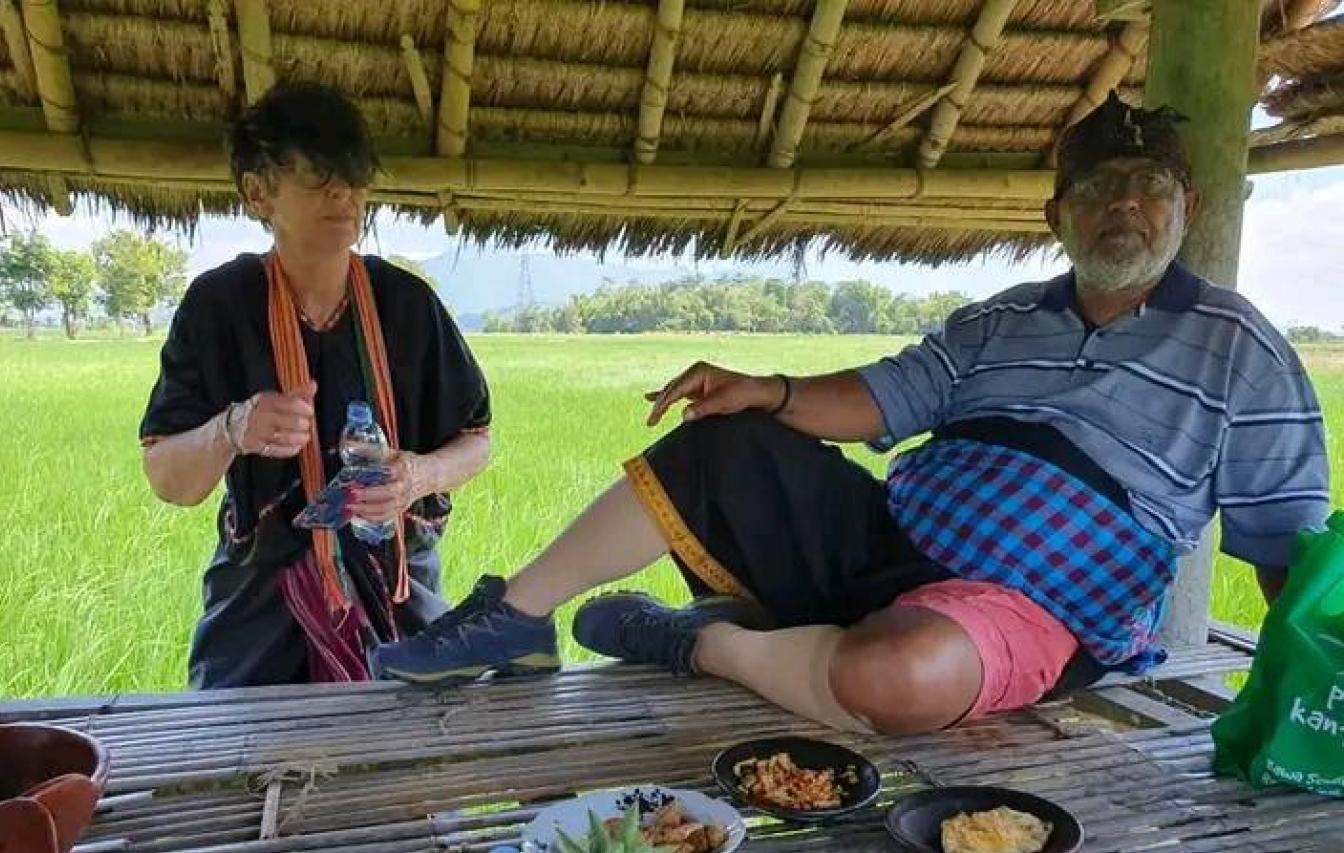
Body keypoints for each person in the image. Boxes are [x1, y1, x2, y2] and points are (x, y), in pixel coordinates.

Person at [371, 92, 1328, 735]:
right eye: (1097, 188)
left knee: (895, 676)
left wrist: (1312, 692)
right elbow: (887, 394)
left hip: (1032, 609)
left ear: (1186, 204)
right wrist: (770, 390)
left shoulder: (1240, 348)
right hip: (889, 541)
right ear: (1057, 215)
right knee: (721, 436)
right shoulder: (999, 320)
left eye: (1147, 188)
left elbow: (1290, 550)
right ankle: (516, 617)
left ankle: (699, 642)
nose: (1123, 206)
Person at [140, 83, 491, 689]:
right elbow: (169, 479)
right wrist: (232, 429)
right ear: (258, 192)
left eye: (353, 177)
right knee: (237, 745)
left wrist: (416, 476)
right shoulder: (219, 306)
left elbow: (477, 441)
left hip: (398, 596)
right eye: (317, 176)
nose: (342, 194)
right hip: (260, 610)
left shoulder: (408, 305)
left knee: (417, 741)